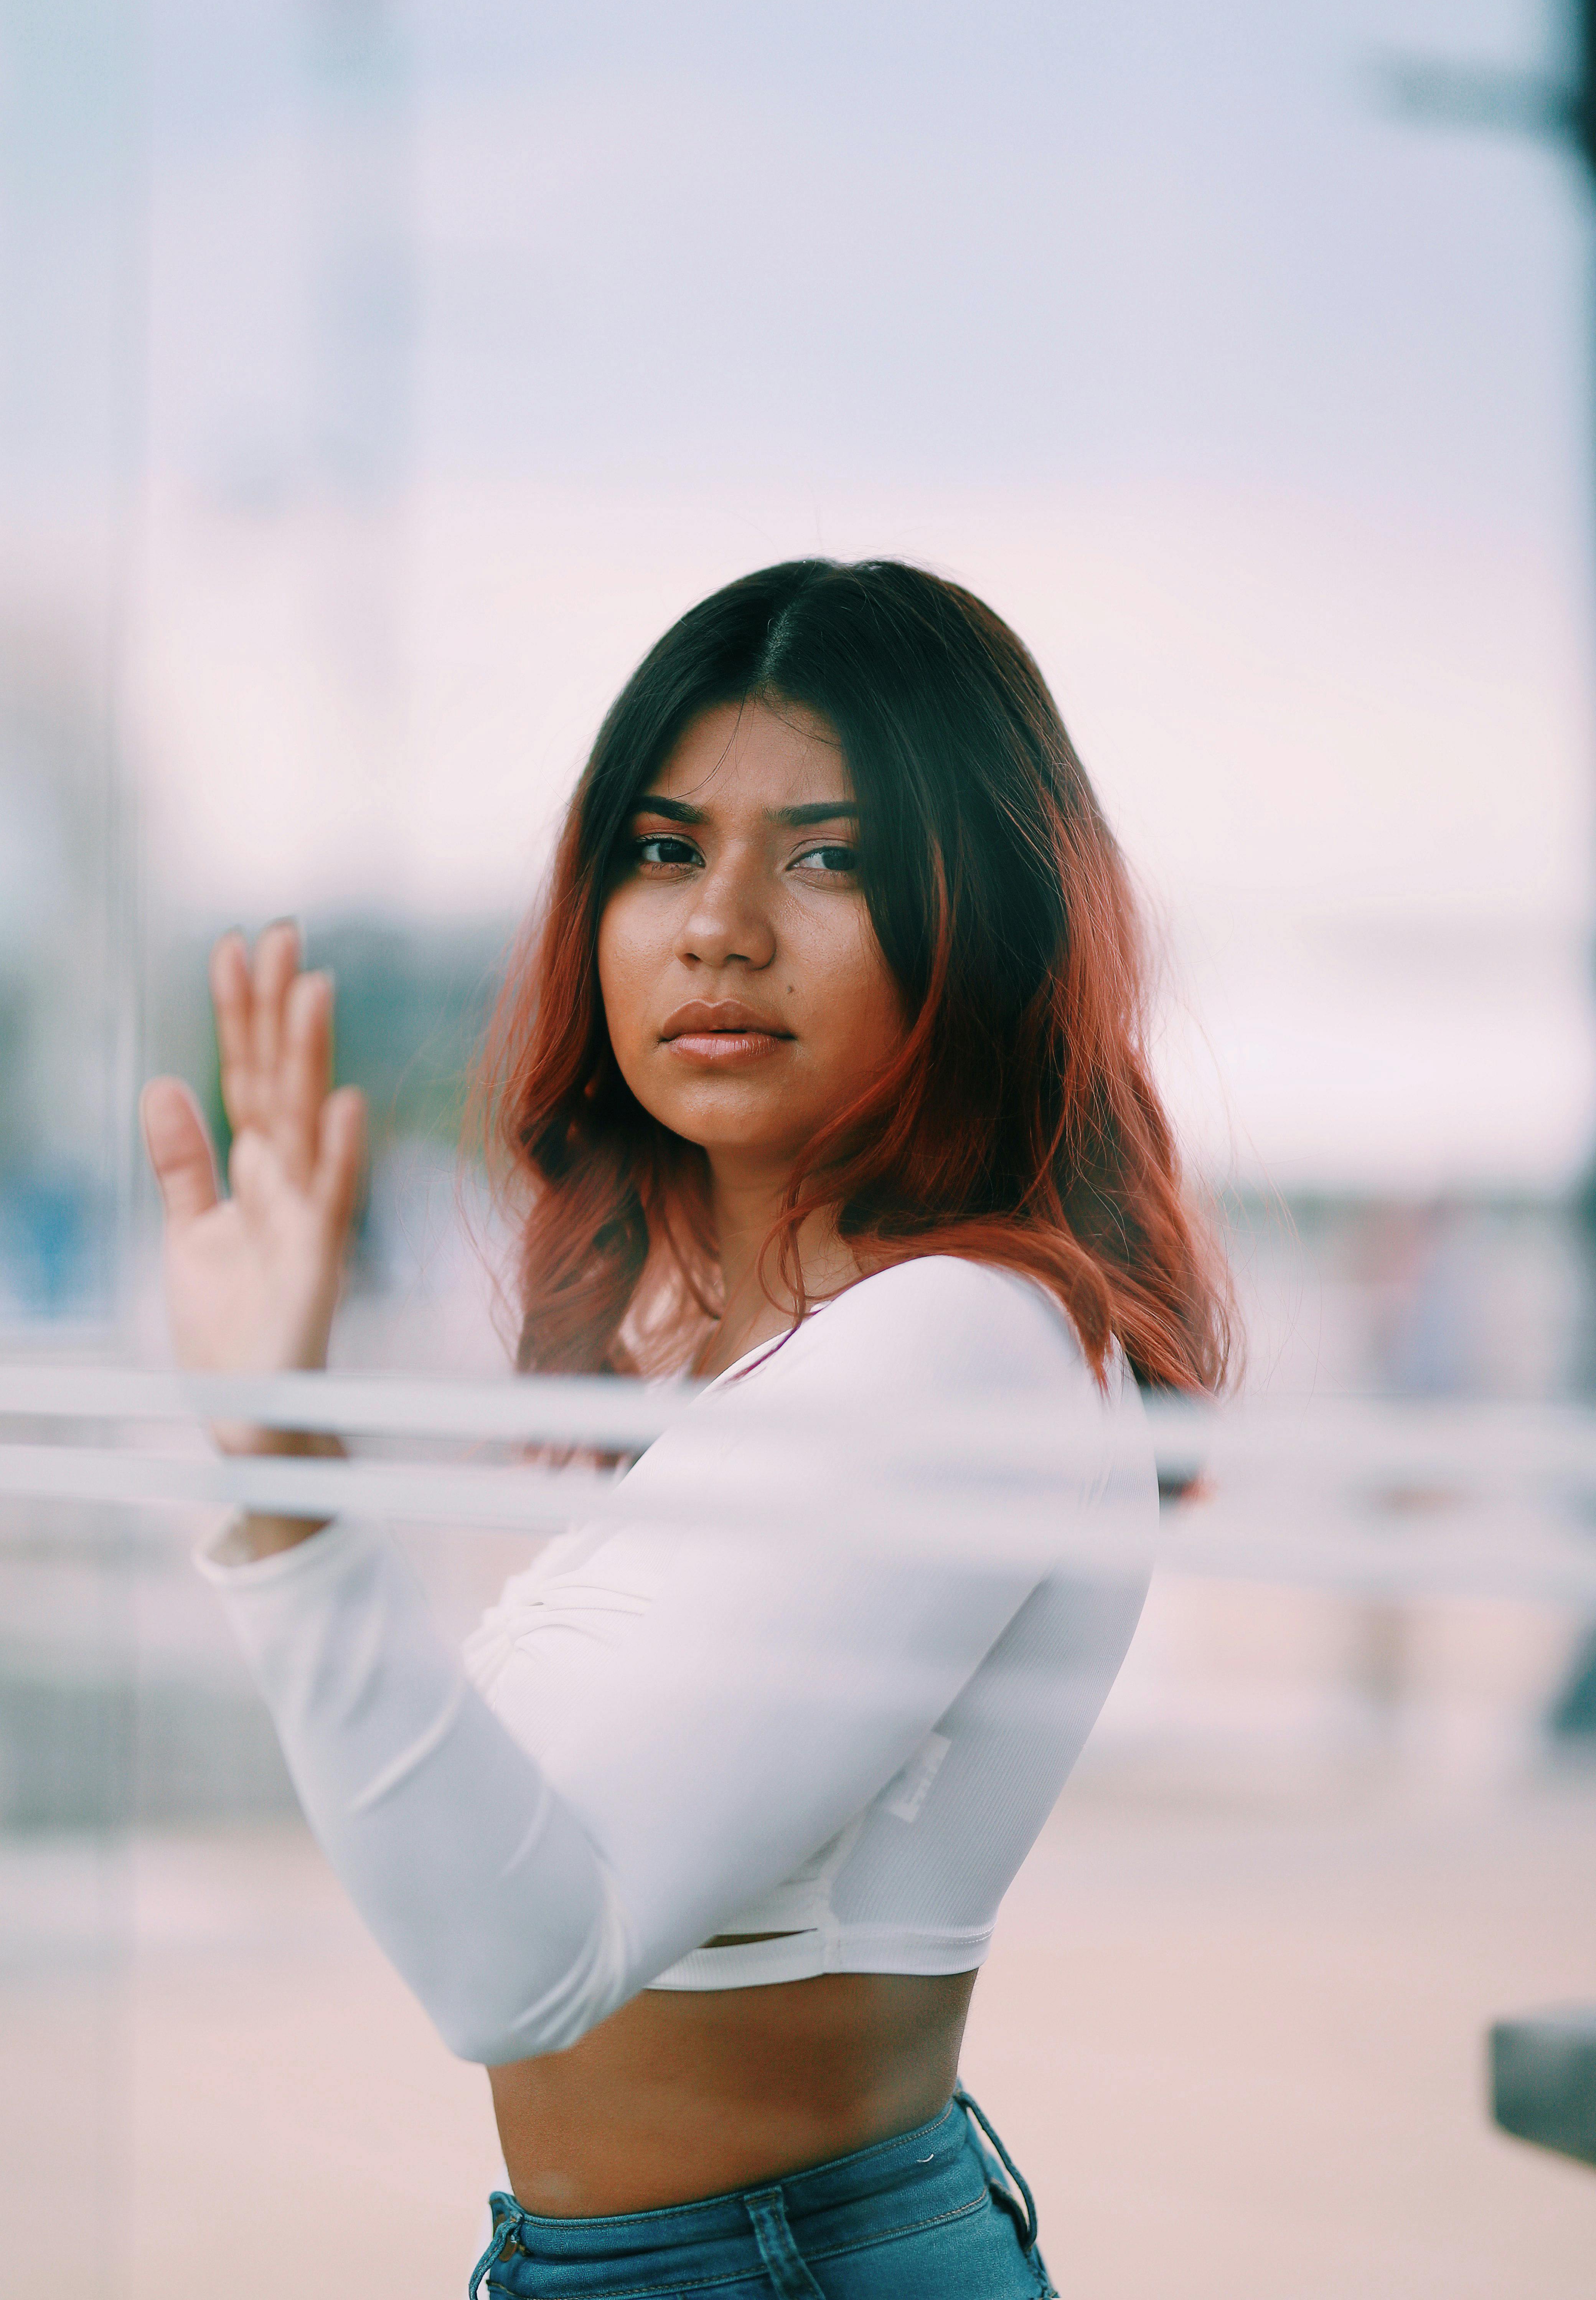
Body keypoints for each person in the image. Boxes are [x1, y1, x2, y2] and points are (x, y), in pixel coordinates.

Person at [141, 558, 1230, 2298]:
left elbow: (516, 1965)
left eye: (824, 855)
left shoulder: (956, 1342)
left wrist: (281, 1483)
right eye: (663, 852)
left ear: (985, 914)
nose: (719, 924)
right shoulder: (767, 1364)